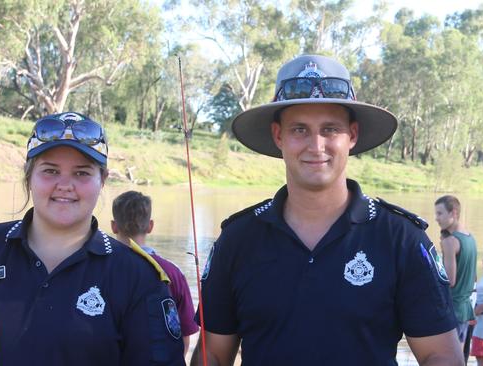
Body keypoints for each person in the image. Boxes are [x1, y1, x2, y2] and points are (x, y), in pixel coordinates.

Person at [190, 55, 463, 365]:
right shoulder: (237, 240)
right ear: (278, 136)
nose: (316, 145)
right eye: (300, 130)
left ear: (353, 135)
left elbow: (441, 355)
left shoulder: (401, 239)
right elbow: (212, 352)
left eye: (330, 129)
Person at [0, 112, 185, 366]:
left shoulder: (139, 277)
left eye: (81, 173)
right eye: (50, 170)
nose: (65, 185)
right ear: (29, 176)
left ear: (102, 181)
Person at [111, 190, 200, 355]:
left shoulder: (100, 268)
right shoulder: (173, 273)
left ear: (114, 226)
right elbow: (183, 337)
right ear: (150, 226)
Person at [435, 195, 477, 361]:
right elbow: (473, 278)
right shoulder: (470, 239)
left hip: (451, 310)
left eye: (440, 213)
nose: (436, 218)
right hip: (465, 310)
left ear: (453, 213)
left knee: (445, 360)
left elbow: (449, 280)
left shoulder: (450, 242)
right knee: (459, 359)